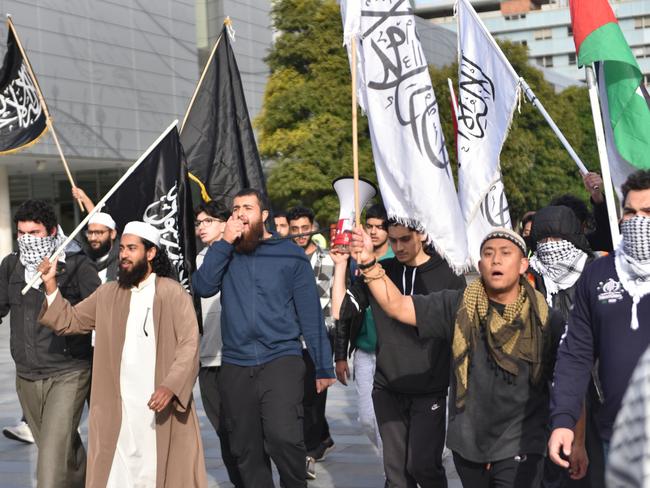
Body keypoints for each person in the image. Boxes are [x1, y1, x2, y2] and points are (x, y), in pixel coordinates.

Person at [344, 225, 565, 488]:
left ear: (523, 264)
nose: (496, 259)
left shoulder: (547, 319)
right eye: (488, 253)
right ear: (479, 264)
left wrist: (574, 434)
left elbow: (569, 381)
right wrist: (369, 263)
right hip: (469, 445)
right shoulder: (458, 305)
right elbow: (398, 306)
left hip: (522, 441)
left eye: (506, 253)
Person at [38, 221, 207, 488]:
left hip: (159, 407)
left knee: (161, 473)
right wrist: (51, 286)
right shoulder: (107, 294)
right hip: (118, 410)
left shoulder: (172, 293)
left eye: (132, 248)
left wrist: (171, 386)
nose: (124, 255)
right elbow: (68, 321)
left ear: (150, 253)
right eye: (122, 249)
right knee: (117, 476)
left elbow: (189, 345)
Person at [192, 188, 335, 488]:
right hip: (235, 363)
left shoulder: (289, 253)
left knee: (284, 438)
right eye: (236, 209)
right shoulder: (223, 252)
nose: (241, 213)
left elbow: (310, 312)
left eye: (248, 207)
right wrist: (225, 242)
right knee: (245, 448)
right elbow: (203, 287)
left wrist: (323, 365)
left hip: (281, 359)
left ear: (265, 215)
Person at [333, 218, 465, 488]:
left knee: (424, 466)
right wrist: (341, 266)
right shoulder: (380, 270)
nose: (399, 246)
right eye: (393, 240)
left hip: (430, 386)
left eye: (405, 239)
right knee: (396, 475)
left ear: (422, 236)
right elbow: (341, 312)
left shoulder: (449, 273)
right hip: (388, 386)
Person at [548, 170, 650, 469]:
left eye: (648, 211)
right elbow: (575, 353)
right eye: (630, 212)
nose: (638, 220)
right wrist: (564, 419)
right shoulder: (598, 274)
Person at [0, 199, 100, 487]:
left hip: (68, 372)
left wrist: (53, 287)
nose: (27, 240)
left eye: (35, 233)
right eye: (22, 233)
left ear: (53, 231)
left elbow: (99, 310)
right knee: (63, 448)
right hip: (27, 377)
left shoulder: (78, 264)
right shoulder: (11, 265)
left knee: (50, 462)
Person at [528, 205, 602, 487]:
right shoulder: (531, 278)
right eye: (543, 241)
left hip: (593, 387)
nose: (550, 248)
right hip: (545, 388)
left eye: (557, 240)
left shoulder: (595, 273)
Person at [334, 203, 393, 454]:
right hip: (365, 352)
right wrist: (339, 354)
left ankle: (392, 477)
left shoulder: (398, 261)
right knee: (369, 420)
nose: (375, 231)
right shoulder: (355, 262)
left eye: (380, 227)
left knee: (387, 425)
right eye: (370, 226)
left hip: (393, 352)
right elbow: (343, 312)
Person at [194, 201, 243, 487]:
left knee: (243, 427)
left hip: (237, 357)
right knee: (223, 429)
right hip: (207, 356)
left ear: (226, 224)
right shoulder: (199, 259)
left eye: (208, 221)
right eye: (199, 222)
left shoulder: (241, 255)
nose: (201, 226)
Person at [288, 206, 335, 480]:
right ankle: (314, 443)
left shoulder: (326, 260)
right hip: (292, 339)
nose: (300, 234)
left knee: (315, 400)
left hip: (319, 336)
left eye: (305, 228)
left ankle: (311, 450)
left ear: (313, 227)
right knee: (297, 399)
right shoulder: (286, 260)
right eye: (295, 230)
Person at [549, 171, 613, 253]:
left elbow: (606, 235)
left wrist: (597, 196)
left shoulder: (589, 246)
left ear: (583, 225)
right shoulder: (543, 251)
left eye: (570, 223)